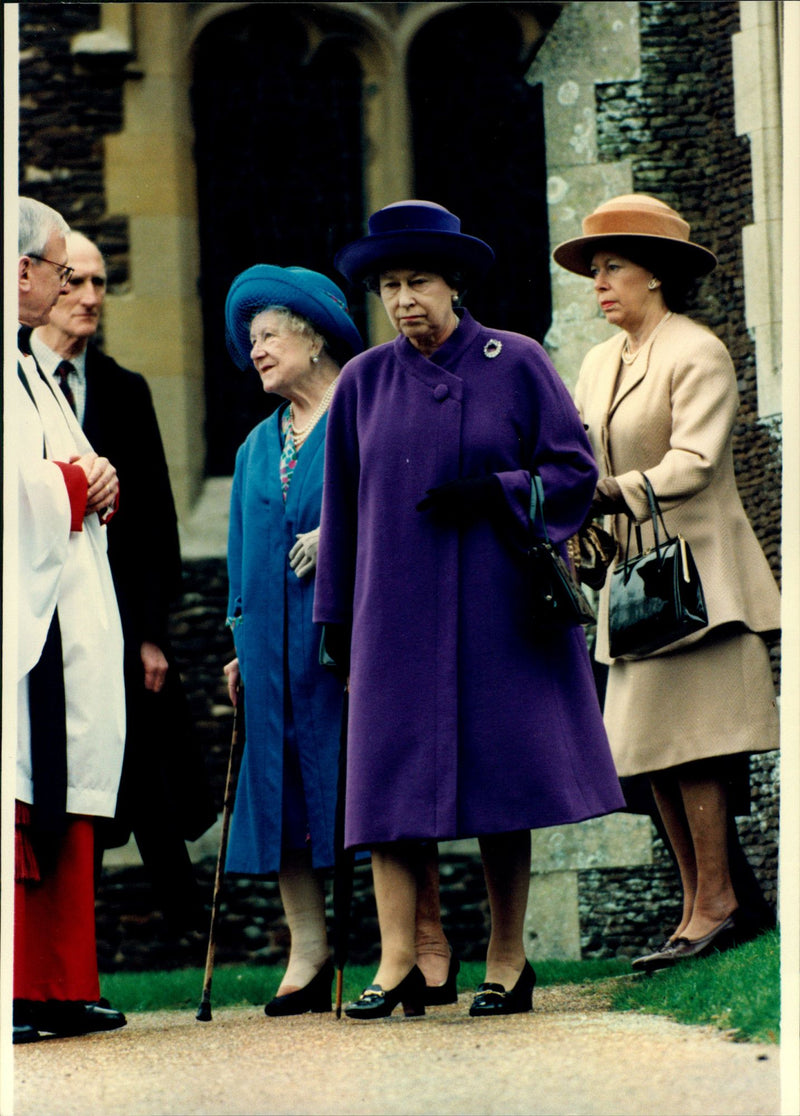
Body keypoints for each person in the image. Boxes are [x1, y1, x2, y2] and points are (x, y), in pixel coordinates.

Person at [314, 200, 625, 1020]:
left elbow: (573, 474)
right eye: (388, 284)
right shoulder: (362, 383)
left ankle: (507, 958)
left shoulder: (515, 362)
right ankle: (396, 962)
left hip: (497, 606)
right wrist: (335, 622)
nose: (404, 298)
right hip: (394, 616)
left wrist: (495, 491)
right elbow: (341, 513)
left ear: (454, 283)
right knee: (385, 790)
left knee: (499, 784)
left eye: (418, 280)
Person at [553, 193, 781, 971]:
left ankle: (716, 902)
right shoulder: (596, 361)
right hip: (635, 585)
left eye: (613, 266)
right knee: (648, 751)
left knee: (698, 745)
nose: (599, 283)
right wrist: (579, 524)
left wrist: (609, 495)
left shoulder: (697, 351)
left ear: (657, 275)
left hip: (700, 581)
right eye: (596, 270)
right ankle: (700, 903)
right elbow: (584, 459)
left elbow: (695, 462)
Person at [31, 232, 216, 936]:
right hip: (40, 623)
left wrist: (149, 634)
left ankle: (189, 929)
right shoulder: (17, 391)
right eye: (74, 281)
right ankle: (61, 950)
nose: (88, 298)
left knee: (150, 776)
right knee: (56, 781)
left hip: (115, 619)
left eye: (101, 283)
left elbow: (157, 524)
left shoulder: (125, 391)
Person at [221, 265, 367, 1015]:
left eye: (269, 336)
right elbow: (241, 547)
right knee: (278, 790)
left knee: (357, 786)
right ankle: (306, 952)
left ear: (313, 340)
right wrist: (234, 637)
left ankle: (412, 948)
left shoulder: (364, 414)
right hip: (269, 651)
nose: (257, 352)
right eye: (251, 342)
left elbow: (398, 511)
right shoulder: (254, 446)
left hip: (343, 642)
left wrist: (335, 539)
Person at [13, 197, 127, 1042]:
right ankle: (25, 985)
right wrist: (78, 485)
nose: (65, 289)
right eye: (58, 270)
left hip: (61, 614)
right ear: (22, 271)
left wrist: (94, 479)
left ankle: (61, 982)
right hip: (26, 621)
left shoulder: (25, 370)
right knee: (27, 795)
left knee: (66, 790)